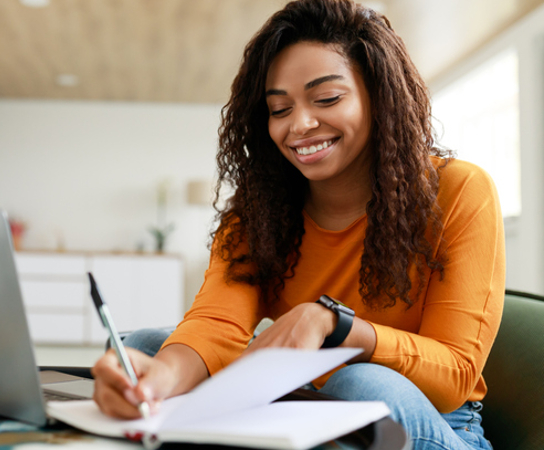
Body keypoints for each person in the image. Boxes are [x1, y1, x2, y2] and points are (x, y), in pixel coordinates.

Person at [91, 1, 504, 449]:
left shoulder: (460, 190)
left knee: (363, 384)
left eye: (327, 98)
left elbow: (455, 375)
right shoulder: (259, 209)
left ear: (379, 96)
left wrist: (335, 324)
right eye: (279, 109)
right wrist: (159, 380)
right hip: (303, 407)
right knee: (151, 346)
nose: (300, 125)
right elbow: (216, 323)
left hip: (431, 422)